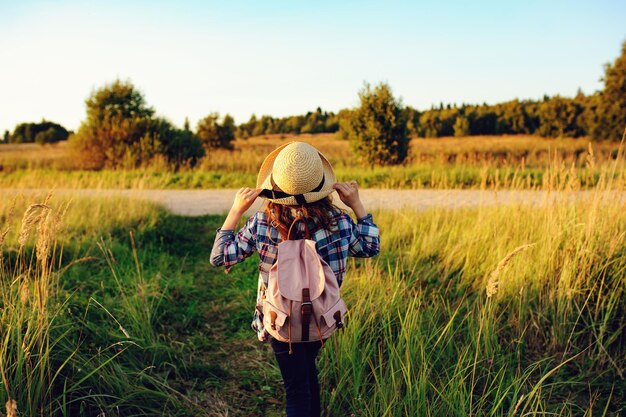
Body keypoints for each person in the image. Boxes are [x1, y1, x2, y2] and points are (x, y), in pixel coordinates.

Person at [210, 141, 380, 417]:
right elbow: (370, 247)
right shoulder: (340, 221)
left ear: (275, 186)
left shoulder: (262, 223)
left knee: (296, 388)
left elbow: (220, 257)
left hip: (280, 321)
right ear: (322, 185)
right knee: (307, 375)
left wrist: (236, 211)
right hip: (322, 319)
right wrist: (357, 204)